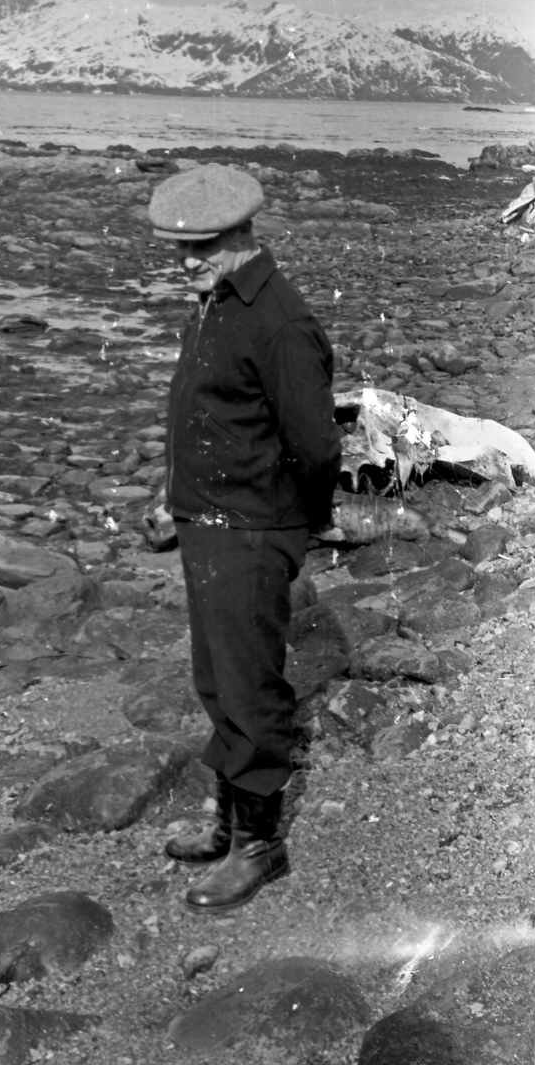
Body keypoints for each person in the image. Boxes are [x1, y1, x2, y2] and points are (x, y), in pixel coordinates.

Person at [148, 162, 342, 915]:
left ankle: (259, 845)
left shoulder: (279, 323)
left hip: (251, 530)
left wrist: (293, 525)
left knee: (250, 687)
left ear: (243, 236)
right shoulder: (216, 300)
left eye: (201, 248)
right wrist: (175, 501)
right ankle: (231, 822)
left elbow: (315, 446)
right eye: (176, 250)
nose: (185, 262)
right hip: (208, 522)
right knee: (215, 680)